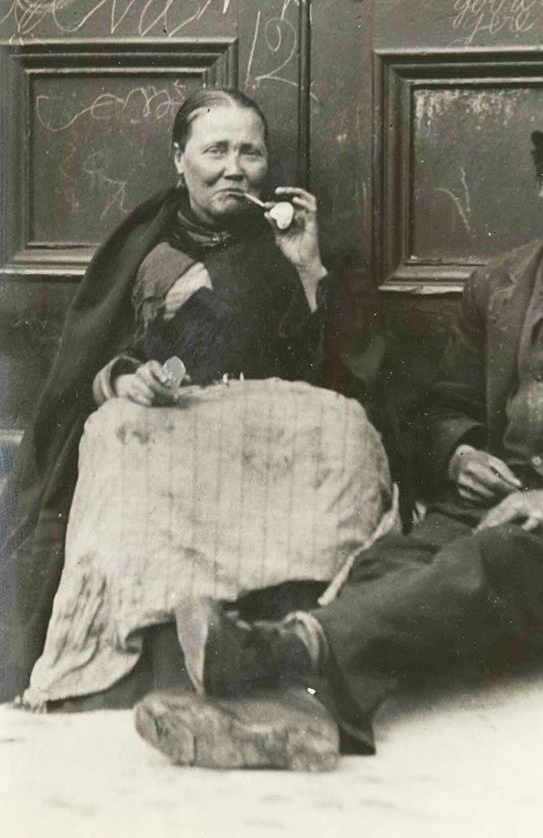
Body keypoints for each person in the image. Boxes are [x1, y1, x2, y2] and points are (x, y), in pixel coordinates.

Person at [133, 66, 543, 772]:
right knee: (388, 562)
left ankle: (276, 658)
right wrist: (460, 453)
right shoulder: (499, 283)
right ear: (542, 179)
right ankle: (297, 717)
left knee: (493, 558)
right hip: (501, 502)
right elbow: (445, 407)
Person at [0, 87, 392, 710]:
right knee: (115, 433)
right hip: (172, 435)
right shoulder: (142, 248)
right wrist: (124, 380)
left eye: (250, 153)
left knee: (345, 433)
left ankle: (286, 650)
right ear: (179, 159)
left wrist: (306, 269)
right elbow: (90, 367)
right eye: (216, 150)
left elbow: (336, 382)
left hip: (269, 445)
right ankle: (153, 667)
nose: (235, 168)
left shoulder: (306, 247)